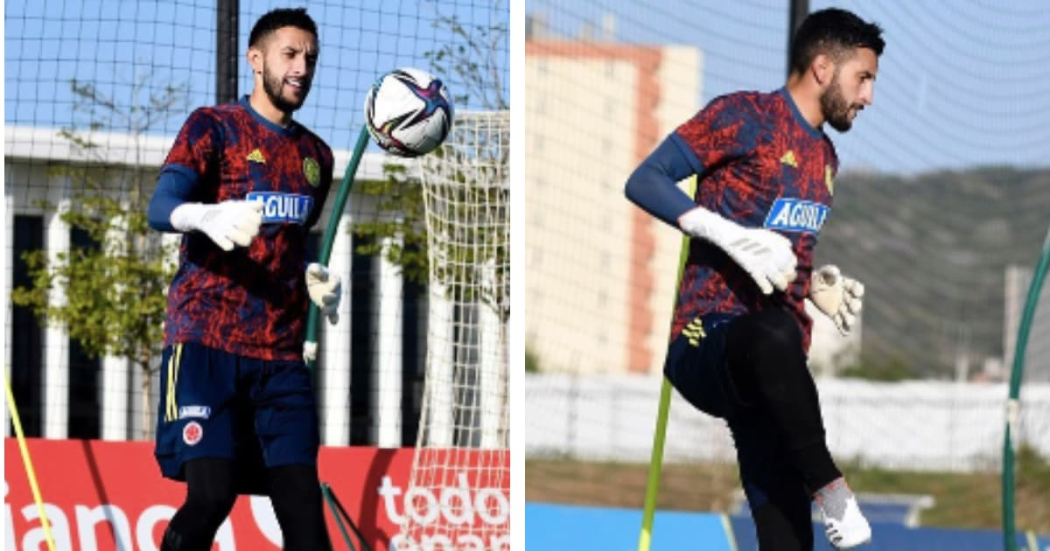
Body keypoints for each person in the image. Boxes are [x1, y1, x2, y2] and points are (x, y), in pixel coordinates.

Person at [625, 8, 884, 551]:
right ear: (822, 68)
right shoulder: (743, 115)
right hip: (707, 341)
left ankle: (809, 496)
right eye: (863, 78)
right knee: (773, 333)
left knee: (786, 538)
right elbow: (644, 179)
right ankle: (832, 487)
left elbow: (781, 256)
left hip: (773, 376)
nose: (868, 97)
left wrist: (814, 285)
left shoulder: (826, 156)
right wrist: (722, 232)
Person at [146, 8, 339, 551]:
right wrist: (203, 214)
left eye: (310, 57)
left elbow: (290, 243)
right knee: (212, 495)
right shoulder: (214, 126)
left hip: (279, 361)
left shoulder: (316, 157)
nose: (302, 67)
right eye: (290, 54)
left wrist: (312, 275)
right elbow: (160, 207)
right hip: (207, 344)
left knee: (305, 519)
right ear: (256, 60)